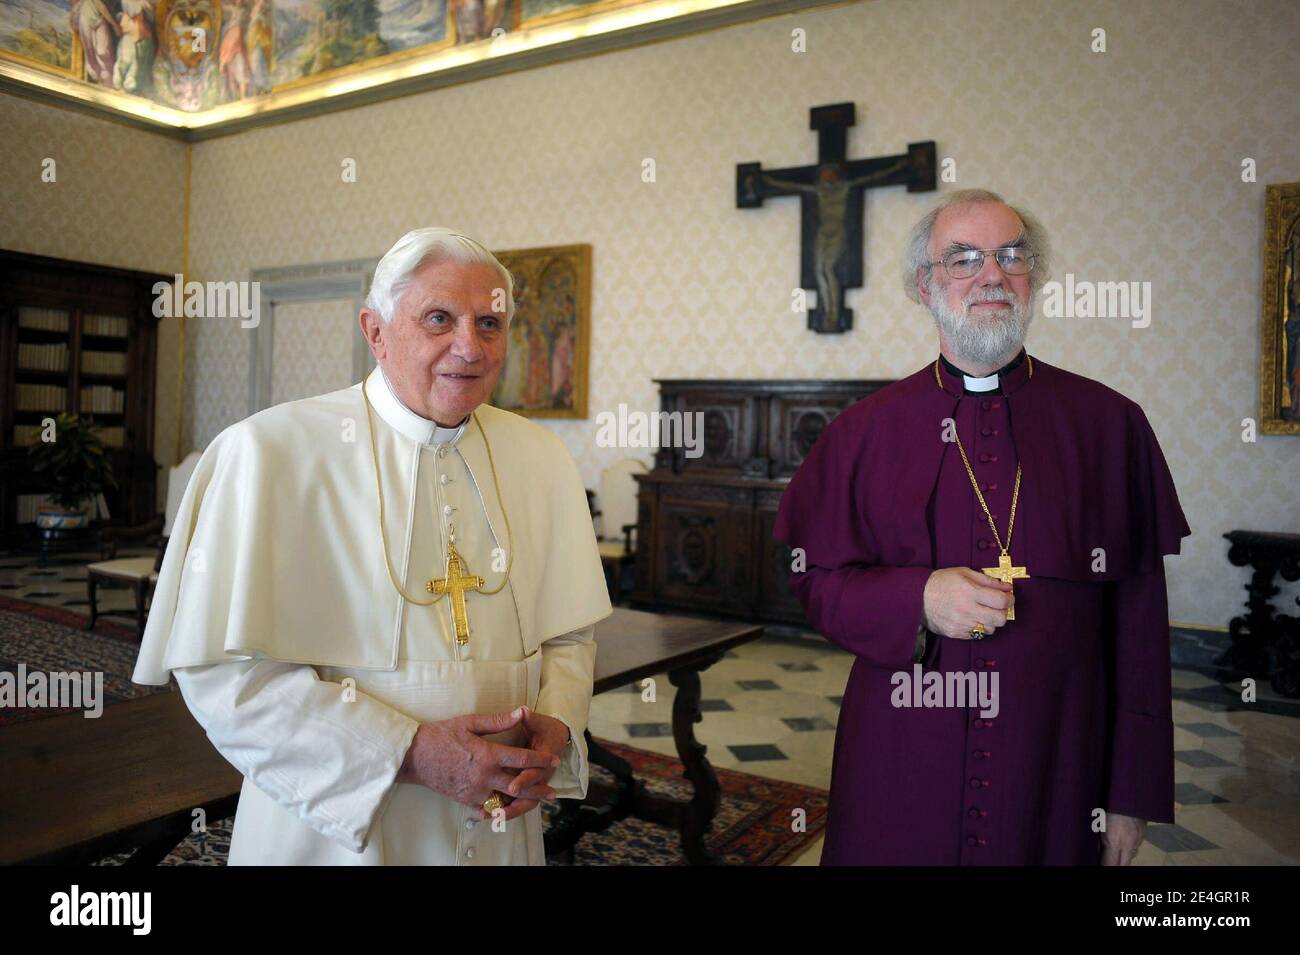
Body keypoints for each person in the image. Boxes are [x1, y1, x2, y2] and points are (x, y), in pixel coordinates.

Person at [134, 227, 611, 865]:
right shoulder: (268, 453)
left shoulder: (541, 458)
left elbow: (568, 637)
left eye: (490, 323)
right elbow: (224, 677)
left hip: (499, 817)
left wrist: (556, 726)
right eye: (438, 319)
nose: (468, 346)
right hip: (334, 832)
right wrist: (408, 753)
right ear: (376, 332)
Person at [774, 189, 1189, 865]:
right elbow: (810, 577)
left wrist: (1130, 791)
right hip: (901, 757)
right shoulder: (863, 431)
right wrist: (916, 599)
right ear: (924, 284)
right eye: (963, 258)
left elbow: (1140, 621)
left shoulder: (1108, 425)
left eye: (1011, 256)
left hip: (1059, 763)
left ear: (1033, 277)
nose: (992, 274)